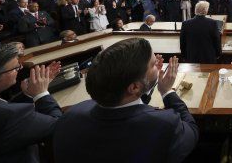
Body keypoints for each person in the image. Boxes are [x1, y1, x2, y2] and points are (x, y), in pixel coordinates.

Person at [53, 38, 199, 162]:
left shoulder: (70, 116)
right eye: (154, 64)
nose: (159, 66)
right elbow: (192, 131)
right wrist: (166, 91)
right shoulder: (165, 124)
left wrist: (146, 83)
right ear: (134, 87)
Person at [0, 44, 62, 162]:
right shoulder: (10, 116)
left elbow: (0, 106)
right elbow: (59, 126)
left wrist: (28, 94)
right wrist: (41, 93)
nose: (20, 69)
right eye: (15, 68)